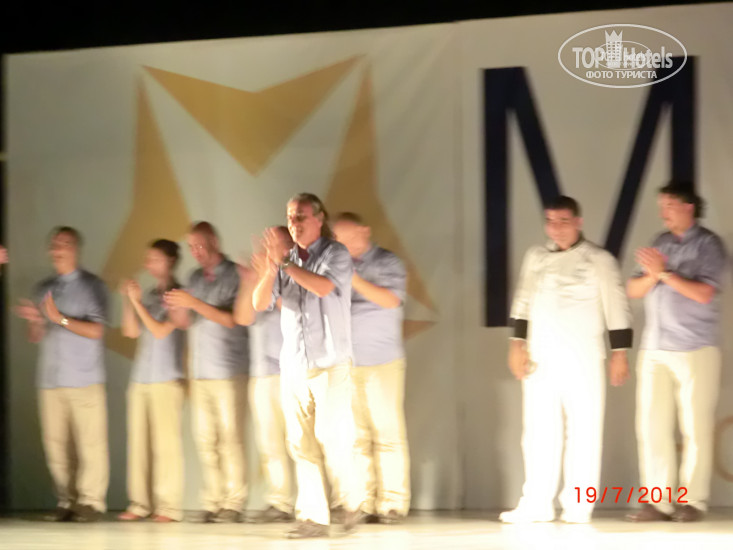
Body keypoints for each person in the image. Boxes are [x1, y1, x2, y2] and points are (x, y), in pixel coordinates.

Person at [500, 196, 632, 524]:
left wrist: (620, 353)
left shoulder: (599, 259)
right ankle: (536, 502)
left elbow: (616, 305)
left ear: (578, 222)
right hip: (541, 355)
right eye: (551, 221)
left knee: (584, 429)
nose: (556, 228)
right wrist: (517, 344)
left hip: (583, 356)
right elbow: (522, 300)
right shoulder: (536, 256)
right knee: (538, 430)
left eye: (563, 221)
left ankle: (578, 504)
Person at [253, 193, 363, 539]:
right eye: (290, 217)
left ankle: (351, 500)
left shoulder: (335, 253)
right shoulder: (285, 260)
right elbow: (259, 303)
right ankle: (314, 516)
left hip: (331, 363)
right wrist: (270, 268)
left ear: (319, 218)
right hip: (295, 365)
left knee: (331, 437)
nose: (294, 223)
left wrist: (285, 263)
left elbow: (322, 287)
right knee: (300, 443)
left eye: (300, 216)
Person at [626, 182, 726, 523]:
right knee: (651, 425)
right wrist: (653, 276)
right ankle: (658, 501)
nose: (663, 212)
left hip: (695, 347)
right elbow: (634, 288)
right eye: (661, 206)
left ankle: (692, 500)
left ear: (688, 206)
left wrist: (663, 274)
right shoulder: (661, 242)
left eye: (669, 205)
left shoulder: (708, 244)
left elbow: (704, 293)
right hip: (655, 347)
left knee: (695, 427)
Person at [15, 227, 109, 522]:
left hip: (84, 378)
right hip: (50, 380)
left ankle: (90, 502)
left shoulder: (92, 285)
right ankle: (66, 500)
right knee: (56, 445)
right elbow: (35, 336)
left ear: (75, 249)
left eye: (64, 244)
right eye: (54, 244)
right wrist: (36, 321)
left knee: (90, 444)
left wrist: (60, 319)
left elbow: (97, 331)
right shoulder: (43, 288)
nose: (58, 249)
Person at [165, 222, 249, 523]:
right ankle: (213, 501)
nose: (196, 252)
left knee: (230, 439)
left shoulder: (235, 274)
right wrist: (178, 308)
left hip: (229, 370)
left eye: (200, 245)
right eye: (191, 247)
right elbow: (187, 322)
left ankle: (234, 503)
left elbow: (232, 319)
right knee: (205, 440)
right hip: (200, 371)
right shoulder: (194, 277)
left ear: (214, 241)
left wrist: (193, 303)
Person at [332, 212, 410, 524]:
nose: (345, 245)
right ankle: (363, 502)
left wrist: (353, 278)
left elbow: (391, 300)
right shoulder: (334, 267)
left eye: (349, 237)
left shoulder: (387, 262)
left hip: (382, 361)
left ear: (365, 231)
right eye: (339, 241)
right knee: (356, 436)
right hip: (347, 362)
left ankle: (392, 503)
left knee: (387, 433)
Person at [118, 239, 187, 523]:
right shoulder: (148, 294)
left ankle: (168, 506)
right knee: (139, 443)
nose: (149, 264)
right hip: (141, 377)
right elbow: (131, 331)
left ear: (170, 261)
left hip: (166, 378)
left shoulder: (179, 295)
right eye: (148, 259)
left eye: (155, 259)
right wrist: (128, 300)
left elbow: (160, 330)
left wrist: (136, 302)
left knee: (166, 445)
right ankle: (140, 503)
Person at [234, 227, 295, 524]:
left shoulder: (297, 273)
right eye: (265, 244)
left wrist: (271, 274)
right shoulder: (260, 277)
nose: (266, 248)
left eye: (273, 244)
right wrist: (253, 280)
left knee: (301, 442)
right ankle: (280, 502)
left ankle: (319, 502)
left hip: (291, 371)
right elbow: (243, 317)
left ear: (288, 247)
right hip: (261, 373)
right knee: (270, 443)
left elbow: (297, 309)